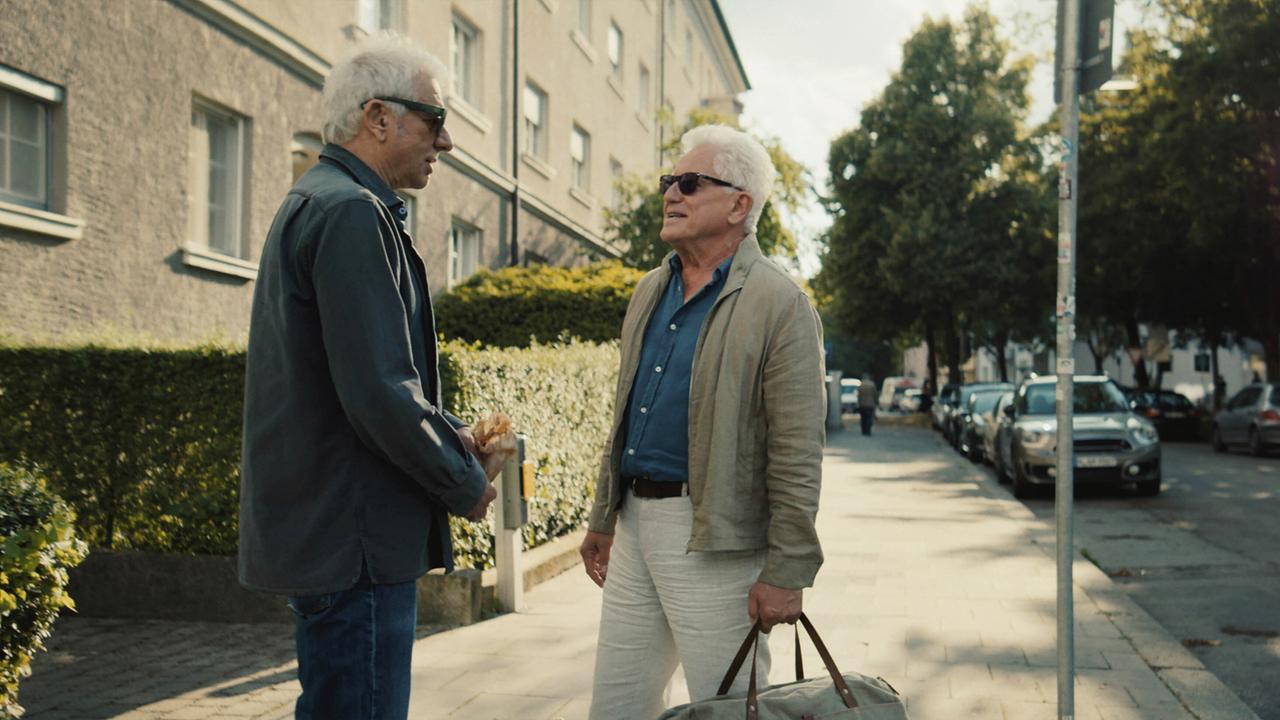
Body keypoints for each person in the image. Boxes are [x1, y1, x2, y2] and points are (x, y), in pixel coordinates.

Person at [238, 34, 495, 720]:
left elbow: (351, 378)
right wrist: (463, 481)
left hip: (335, 533)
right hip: (356, 542)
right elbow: (379, 392)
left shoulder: (323, 199)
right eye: (437, 121)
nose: (447, 144)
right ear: (379, 117)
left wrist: (449, 435)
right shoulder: (351, 212)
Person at [579, 125, 826, 718]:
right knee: (617, 704)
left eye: (689, 183)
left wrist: (788, 569)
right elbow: (624, 416)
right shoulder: (648, 290)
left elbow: (797, 450)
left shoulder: (780, 303)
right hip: (635, 528)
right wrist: (603, 515)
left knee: (724, 707)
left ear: (740, 204)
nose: (671, 194)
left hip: (716, 537)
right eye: (669, 182)